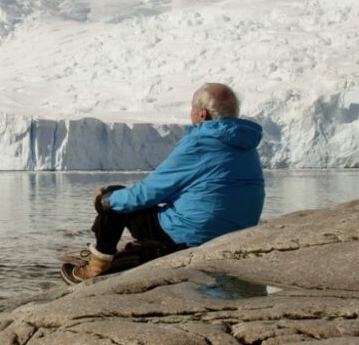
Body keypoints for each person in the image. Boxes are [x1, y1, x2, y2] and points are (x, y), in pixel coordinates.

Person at [61, 83, 265, 284]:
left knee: (115, 198)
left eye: (192, 108)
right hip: (234, 235)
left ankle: (96, 269)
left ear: (202, 114)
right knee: (128, 203)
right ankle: (131, 254)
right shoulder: (246, 144)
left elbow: (149, 192)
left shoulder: (199, 143)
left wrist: (103, 201)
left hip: (193, 236)